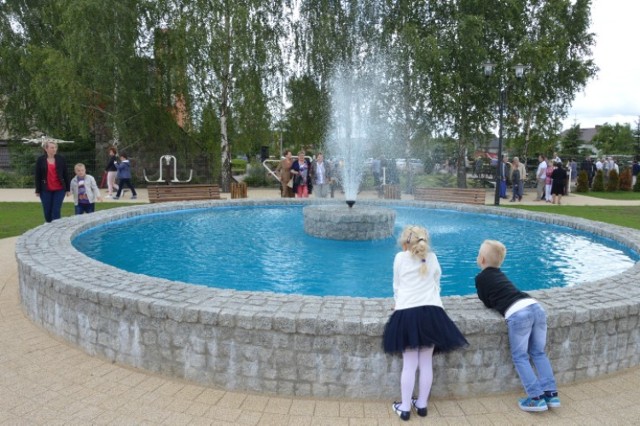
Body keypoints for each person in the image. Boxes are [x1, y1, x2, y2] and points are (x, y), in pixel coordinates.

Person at [382, 225, 468, 421]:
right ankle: (421, 405)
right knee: (426, 362)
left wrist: (398, 301)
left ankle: (404, 408)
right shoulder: (433, 258)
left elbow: (397, 285)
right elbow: (437, 281)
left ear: (405, 244)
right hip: (431, 313)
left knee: (409, 364)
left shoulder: (399, 258)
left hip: (407, 314)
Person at [474, 240, 560, 412]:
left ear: (482, 260)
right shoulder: (501, 274)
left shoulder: (481, 278)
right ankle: (551, 394)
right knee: (538, 352)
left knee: (520, 356)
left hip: (518, 313)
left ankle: (536, 398)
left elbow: (486, 302)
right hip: (535, 307)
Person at [35, 139, 71, 222]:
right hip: (45, 190)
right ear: (46, 149)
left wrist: (68, 189)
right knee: (47, 210)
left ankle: (56, 228)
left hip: (59, 189)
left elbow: (66, 174)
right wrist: (38, 190)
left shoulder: (61, 159)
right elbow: (38, 176)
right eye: (52, 147)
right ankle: (48, 225)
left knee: (56, 210)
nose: (54, 149)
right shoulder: (40, 160)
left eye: (55, 147)